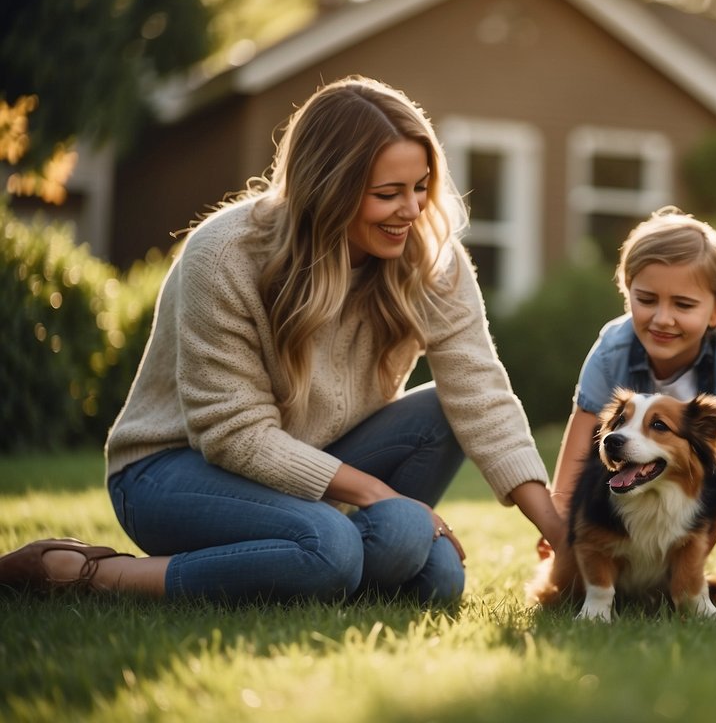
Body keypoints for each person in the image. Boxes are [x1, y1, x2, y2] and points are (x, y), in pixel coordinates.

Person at [0, 76, 564, 604]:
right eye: (389, 193)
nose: (412, 210)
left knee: (435, 579)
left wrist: (558, 530)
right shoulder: (224, 255)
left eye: (421, 188)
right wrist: (376, 494)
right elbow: (233, 434)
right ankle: (89, 573)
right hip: (172, 470)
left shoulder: (431, 259)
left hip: (312, 468)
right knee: (335, 548)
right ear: (330, 188)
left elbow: (480, 394)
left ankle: (300, 558)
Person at [544, 208, 716, 606]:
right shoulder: (610, 353)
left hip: (692, 505)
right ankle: (627, 576)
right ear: (626, 291)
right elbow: (576, 460)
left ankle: (680, 577)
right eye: (646, 299)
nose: (662, 319)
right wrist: (559, 535)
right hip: (616, 500)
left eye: (684, 305)